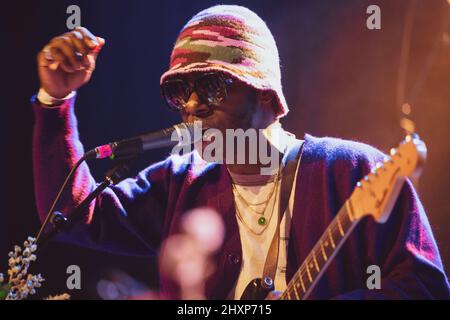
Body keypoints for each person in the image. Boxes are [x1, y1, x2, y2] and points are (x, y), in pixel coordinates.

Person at [32, 5, 449, 299]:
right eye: (179, 93)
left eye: (211, 86)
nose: (192, 105)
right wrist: (55, 103)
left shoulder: (351, 169)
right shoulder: (181, 182)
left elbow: (423, 287)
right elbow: (70, 216)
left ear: (265, 95)